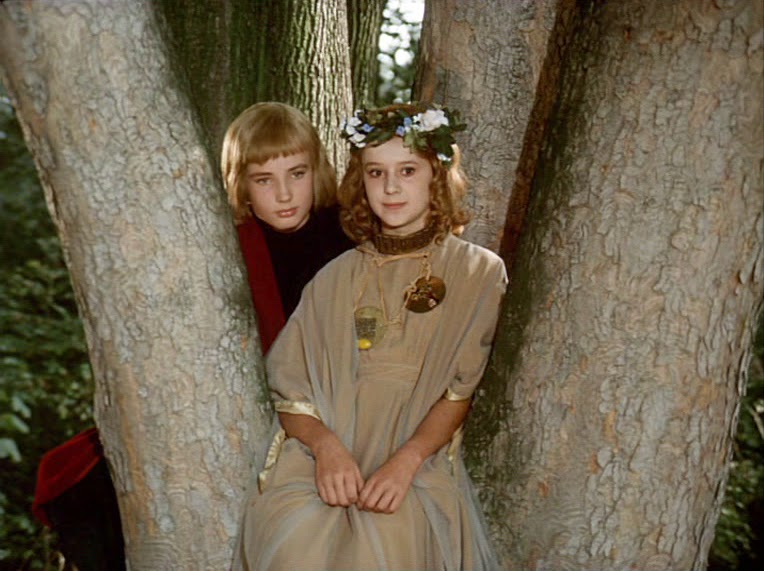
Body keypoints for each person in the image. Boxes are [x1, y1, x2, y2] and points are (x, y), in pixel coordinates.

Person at [235, 102, 507, 570]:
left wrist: (407, 462)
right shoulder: (334, 276)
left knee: (391, 541)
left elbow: (460, 389)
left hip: (416, 456)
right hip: (333, 454)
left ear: (437, 176)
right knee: (295, 540)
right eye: (376, 173)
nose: (391, 187)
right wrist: (326, 448)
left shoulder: (477, 271)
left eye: (407, 170)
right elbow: (291, 391)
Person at [221, 101, 354, 352]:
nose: (284, 195)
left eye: (297, 174)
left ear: (316, 171)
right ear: (242, 184)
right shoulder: (234, 248)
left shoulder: (350, 233)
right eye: (264, 180)